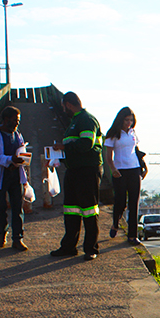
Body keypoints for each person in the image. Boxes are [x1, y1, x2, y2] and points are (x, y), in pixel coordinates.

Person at [50, 91, 104, 261]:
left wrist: (64, 148)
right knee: (71, 210)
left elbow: (86, 144)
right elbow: (75, 146)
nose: (63, 109)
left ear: (68, 104)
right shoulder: (74, 122)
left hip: (87, 171)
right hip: (74, 170)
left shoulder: (86, 120)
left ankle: (91, 248)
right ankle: (69, 247)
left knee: (88, 210)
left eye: (64, 106)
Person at [0, 105, 28, 251]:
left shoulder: (17, 135)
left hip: (16, 175)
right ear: (6, 119)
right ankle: (2, 231)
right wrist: (10, 159)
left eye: (18, 120)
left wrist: (23, 158)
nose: (17, 123)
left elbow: (21, 150)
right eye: (15, 120)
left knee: (18, 207)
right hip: (0, 176)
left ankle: (17, 239)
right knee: (0, 206)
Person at [104, 107, 147, 245]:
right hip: (120, 170)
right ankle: (115, 224)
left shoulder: (132, 133)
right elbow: (108, 156)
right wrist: (112, 169)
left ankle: (132, 235)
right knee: (120, 201)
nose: (129, 123)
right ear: (120, 119)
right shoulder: (113, 134)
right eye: (126, 120)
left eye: (131, 120)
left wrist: (143, 166)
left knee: (134, 202)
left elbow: (136, 150)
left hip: (134, 169)